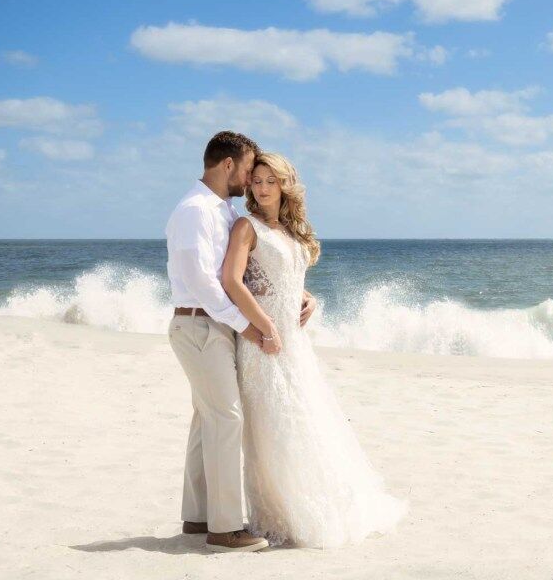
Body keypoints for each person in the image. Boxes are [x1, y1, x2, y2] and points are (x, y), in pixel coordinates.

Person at [221, 152, 408, 548]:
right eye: (256, 180)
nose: (262, 187)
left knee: (304, 420)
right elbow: (233, 281)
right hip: (263, 342)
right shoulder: (246, 226)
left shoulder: (291, 231)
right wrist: (266, 326)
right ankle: (277, 515)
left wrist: (310, 298)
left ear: (286, 184)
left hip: (295, 342)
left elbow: (284, 277)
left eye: (271, 180)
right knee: (271, 427)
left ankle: (308, 507)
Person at [164, 131, 316, 552]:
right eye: (250, 170)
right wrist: (251, 326)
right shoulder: (196, 210)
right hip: (199, 325)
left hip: (215, 325)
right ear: (228, 165)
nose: (252, 180)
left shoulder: (224, 212)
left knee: (206, 419)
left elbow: (257, 269)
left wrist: (298, 294)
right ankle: (225, 528)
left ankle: (197, 517)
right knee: (227, 419)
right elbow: (204, 282)